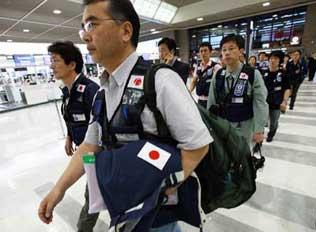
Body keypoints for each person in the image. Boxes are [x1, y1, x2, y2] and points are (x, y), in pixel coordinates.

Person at [38, 1, 212, 232]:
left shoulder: (160, 80)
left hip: (157, 215)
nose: (85, 36)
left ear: (125, 31)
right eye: (83, 27)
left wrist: (163, 187)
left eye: (92, 24)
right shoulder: (103, 91)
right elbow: (90, 145)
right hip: (124, 208)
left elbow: (198, 145)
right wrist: (59, 189)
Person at [48, 41, 100, 232]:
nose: (51, 65)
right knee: (95, 194)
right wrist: (70, 136)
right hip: (83, 150)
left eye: (56, 60)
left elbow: (99, 126)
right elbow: (72, 117)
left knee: (93, 195)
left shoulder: (90, 90)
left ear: (72, 64)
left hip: (96, 154)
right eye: (50, 60)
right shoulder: (66, 91)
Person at [207, 34, 268, 147]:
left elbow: (260, 103)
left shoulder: (252, 74)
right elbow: (211, 101)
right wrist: (210, 124)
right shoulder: (218, 74)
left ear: (241, 51)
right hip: (223, 125)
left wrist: (259, 130)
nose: (227, 53)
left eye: (231, 48)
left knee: (243, 156)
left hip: (245, 127)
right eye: (224, 50)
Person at [262, 51, 291, 142]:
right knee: (261, 121)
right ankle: (259, 139)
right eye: (271, 58)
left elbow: (287, 89)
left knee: (273, 122)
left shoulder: (283, 74)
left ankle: (271, 134)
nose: (273, 60)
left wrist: (284, 101)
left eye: (276, 59)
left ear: (280, 61)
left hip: (276, 103)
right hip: (263, 103)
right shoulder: (263, 72)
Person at [189, 42, 222, 108]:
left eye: (205, 50)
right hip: (200, 100)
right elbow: (194, 81)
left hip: (212, 101)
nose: (203, 53)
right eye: (201, 51)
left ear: (210, 52)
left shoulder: (216, 67)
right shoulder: (198, 67)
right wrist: (189, 92)